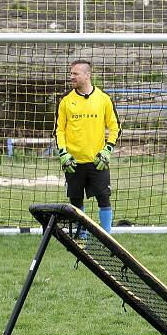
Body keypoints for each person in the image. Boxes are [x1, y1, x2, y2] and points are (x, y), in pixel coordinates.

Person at [55, 60, 121, 234]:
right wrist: (63, 153)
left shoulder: (104, 99)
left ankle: (107, 236)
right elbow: (59, 130)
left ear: (87, 75)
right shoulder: (65, 100)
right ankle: (81, 235)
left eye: (75, 74)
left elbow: (115, 128)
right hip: (73, 162)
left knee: (104, 198)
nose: (71, 77)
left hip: (97, 161)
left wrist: (107, 149)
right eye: (71, 73)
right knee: (76, 202)